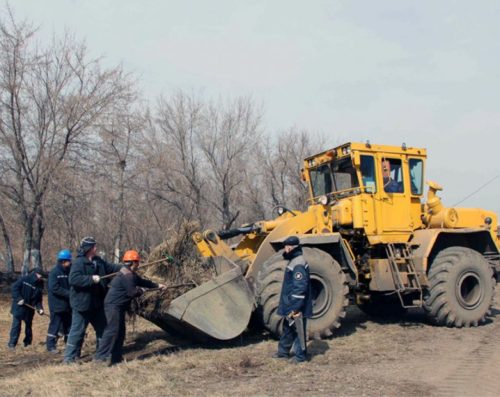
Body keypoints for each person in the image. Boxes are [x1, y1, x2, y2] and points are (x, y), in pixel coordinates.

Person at [94, 250, 166, 364]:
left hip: (119, 306)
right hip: (113, 306)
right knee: (112, 330)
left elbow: (142, 281)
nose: (138, 265)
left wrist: (157, 285)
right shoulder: (127, 276)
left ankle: (116, 358)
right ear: (134, 262)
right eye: (137, 262)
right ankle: (100, 357)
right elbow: (132, 292)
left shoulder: (128, 273)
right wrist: (141, 290)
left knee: (120, 331)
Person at [63, 237, 122, 364]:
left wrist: (124, 267)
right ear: (88, 249)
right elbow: (73, 279)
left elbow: (110, 267)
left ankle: (102, 355)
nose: (96, 248)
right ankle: (69, 359)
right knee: (77, 332)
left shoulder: (98, 261)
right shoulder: (79, 263)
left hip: (97, 304)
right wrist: (90, 279)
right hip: (82, 305)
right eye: (94, 246)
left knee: (103, 330)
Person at [273, 236, 312, 363]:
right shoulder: (294, 260)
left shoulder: (298, 263)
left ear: (290, 247)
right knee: (288, 328)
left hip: (296, 305)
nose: (285, 249)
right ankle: (283, 353)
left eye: (285, 246)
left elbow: (299, 288)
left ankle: (300, 357)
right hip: (291, 304)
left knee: (298, 330)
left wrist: (295, 308)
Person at [7, 267, 45, 349]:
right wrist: (19, 298)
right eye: (40, 276)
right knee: (16, 325)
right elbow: (14, 288)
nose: (41, 278)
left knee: (28, 326)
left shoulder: (40, 284)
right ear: (36, 274)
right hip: (19, 307)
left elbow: (38, 299)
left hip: (29, 309)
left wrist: (40, 308)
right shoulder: (25, 279)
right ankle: (12, 344)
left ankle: (27, 343)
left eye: (42, 277)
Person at [46, 249, 73, 353]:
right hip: (56, 304)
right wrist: (69, 294)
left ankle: (69, 345)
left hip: (67, 305)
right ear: (63, 261)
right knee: (55, 325)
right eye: (69, 261)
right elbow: (54, 288)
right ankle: (51, 346)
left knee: (68, 326)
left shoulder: (69, 271)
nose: (70, 262)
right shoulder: (54, 272)